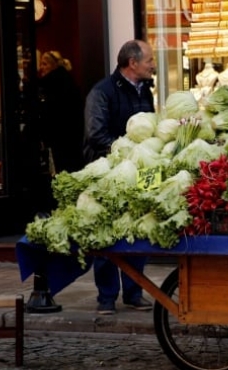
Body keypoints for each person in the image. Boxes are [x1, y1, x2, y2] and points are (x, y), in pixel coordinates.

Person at [83, 40, 156, 315]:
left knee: (137, 228)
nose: (152, 64)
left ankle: (134, 293)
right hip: (108, 170)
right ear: (132, 63)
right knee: (107, 232)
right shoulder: (102, 92)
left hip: (138, 170)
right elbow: (96, 134)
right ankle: (106, 297)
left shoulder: (145, 91)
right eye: (148, 59)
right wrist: (128, 151)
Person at [37, 51, 85, 175]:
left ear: (54, 65)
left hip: (60, 137)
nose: (41, 67)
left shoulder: (51, 84)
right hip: (72, 138)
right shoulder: (68, 80)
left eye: (45, 64)